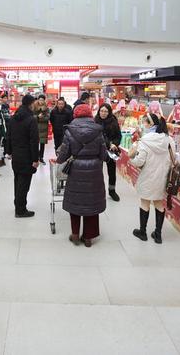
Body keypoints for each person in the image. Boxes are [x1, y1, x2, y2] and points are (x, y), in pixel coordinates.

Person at [56, 103, 107, 248]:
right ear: (90, 114)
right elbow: (103, 154)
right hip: (94, 170)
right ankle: (88, 237)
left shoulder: (70, 130)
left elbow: (64, 154)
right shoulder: (98, 130)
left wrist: (58, 160)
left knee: (76, 203)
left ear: (75, 114)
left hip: (76, 169)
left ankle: (75, 235)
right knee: (91, 203)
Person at [128, 113, 173, 244]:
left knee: (145, 203)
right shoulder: (168, 139)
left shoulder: (145, 140)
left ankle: (143, 232)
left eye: (144, 122)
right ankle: (158, 235)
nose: (143, 125)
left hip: (147, 177)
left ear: (150, 124)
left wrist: (131, 157)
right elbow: (173, 158)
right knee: (159, 203)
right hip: (162, 178)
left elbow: (139, 161)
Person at [7, 94, 39, 218]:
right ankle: (20, 210)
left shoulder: (14, 117)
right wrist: (35, 159)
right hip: (27, 156)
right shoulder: (31, 119)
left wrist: (9, 151)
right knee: (24, 183)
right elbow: (33, 141)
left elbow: (9, 135)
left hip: (16, 155)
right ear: (30, 104)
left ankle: (18, 205)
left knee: (17, 181)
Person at [95, 103, 122, 202]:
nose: (103, 113)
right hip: (98, 149)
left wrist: (115, 144)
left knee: (112, 171)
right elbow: (97, 136)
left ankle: (112, 191)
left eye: (106, 111)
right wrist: (108, 144)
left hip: (111, 150)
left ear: (109, 112)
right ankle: (98, 191)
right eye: (101, 111)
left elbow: (118, 136)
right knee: (98, 172)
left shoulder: (113, 121)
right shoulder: (95, 121)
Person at [34, 94, 50, 164]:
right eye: (40, 100)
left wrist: (41, 118)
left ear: (44, 100)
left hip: (43, 129)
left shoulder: (46, 108)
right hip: (35, 128)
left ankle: (41, 157)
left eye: (42, 100)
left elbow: (48, 117)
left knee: (42, 144)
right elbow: (31, 116)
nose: (41, 101)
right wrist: (37, 117)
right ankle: (36, 156)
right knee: (35, 143)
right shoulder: (34, 107)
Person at [0, 92, 12, 159]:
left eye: (6, 98)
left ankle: (6, 152)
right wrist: (8, 116)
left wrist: (10, 115)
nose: (5, 99)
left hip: (8, 123)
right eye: (4, 98)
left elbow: (8, 112)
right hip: (3, 123)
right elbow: (3, 114)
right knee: (4, 138)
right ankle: (4, 152)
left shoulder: (7, 105)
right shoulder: (0, 106)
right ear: (1, 99)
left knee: (7, 138)